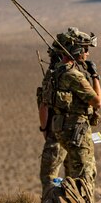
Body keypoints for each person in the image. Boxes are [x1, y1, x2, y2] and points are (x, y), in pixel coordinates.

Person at [45, 28, 101, 189]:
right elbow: (97, 102)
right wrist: (95, 76)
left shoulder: (55, 73)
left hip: (62, 130)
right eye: (85, 49)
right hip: (77, 131)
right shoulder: (74, 75)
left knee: (71, 176)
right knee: (84, 177)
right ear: (75, 49)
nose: (87, 53)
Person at [37, 42, 67, 193]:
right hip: (76, 136)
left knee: (49, 178)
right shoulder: (75, 75)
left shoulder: (53, 78)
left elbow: (44, 107)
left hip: (56, 136)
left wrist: (44, 129)